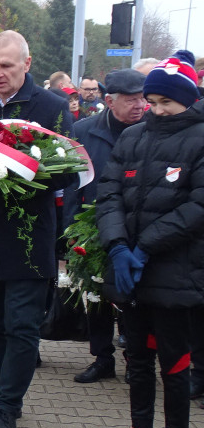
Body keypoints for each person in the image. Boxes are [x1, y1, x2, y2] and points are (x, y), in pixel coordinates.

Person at [94, 51, 204, 428]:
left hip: (174, 271)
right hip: (131, 271)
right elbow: (109, 193)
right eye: (150, 100)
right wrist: (118, 246)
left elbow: (198, 206)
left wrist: (145, 247)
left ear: (186, 101)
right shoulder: (134, 137)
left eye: (164, 103)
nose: (154, 109)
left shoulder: (200, 139)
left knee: (174, 363)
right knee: (137, 359)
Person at [0, 30, 74, 428]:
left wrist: (23, 168)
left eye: (6, 65)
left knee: (21, 324)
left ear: (27, 63)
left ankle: (9, 407)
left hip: (28, 235)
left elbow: (69, 168)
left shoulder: (52, 108)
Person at [62, 69, 146, 384]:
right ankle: (102, 358)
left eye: (142, 98)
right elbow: (73, 184)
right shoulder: (84, 131)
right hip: (92, 228)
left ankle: (135, 358)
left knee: (133, 296)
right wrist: (69, 232)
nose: (139, 105)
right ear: (109, 101)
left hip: (136, 229)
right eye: (131, 99)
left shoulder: (150, 131)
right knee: (96, 295)